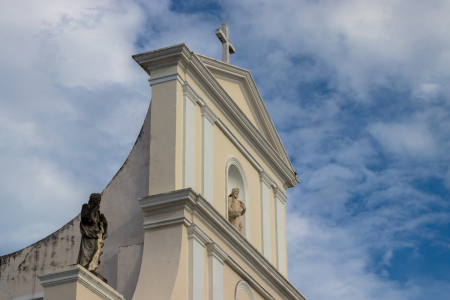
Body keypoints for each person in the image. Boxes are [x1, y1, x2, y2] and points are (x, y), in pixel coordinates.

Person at [77, 193, 108, 271]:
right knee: (86, 252)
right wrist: (93, 210)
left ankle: (90, 267)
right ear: (94, 200)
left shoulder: (97, 211)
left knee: (95, 249)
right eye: (98, 200)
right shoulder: (86, 206)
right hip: (88, 232)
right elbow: (85, 218)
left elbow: (97, 223)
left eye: (99, 201)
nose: (99, 202)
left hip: (95, 234)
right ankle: (84, 266)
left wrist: (103, 221)